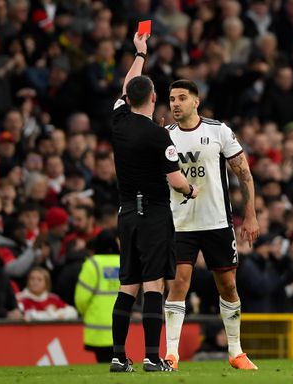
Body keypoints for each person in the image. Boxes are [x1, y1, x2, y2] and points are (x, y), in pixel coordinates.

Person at [109, 33, 197, 373]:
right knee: (153, 285)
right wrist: (191, 191)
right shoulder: (160, 135)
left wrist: (140, 53)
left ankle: (118, 356)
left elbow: (127, 86)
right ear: (155, 97)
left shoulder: (118, 122)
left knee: (127, 284)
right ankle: (150, 355)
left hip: (126, 212)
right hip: (154, 214)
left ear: (128, 98)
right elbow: (176, 181)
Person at [164, 79, 260, 370]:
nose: (175, 104)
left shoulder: (218, 130)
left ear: (196, 101)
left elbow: (244, 173)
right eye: (171, 99)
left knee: (228, 286)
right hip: (179, 223)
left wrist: (251, 215)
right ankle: (171, 354)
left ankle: (236, 351)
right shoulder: (164, 136)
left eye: (182, 98)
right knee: (179, 282)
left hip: (217, 221)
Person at [75, 230, 121, 363]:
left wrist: (84, 312)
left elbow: (81, 299)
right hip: (121, 328)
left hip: (97, 330)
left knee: (103, 367)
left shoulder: (92, 264)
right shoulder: (123, 262)